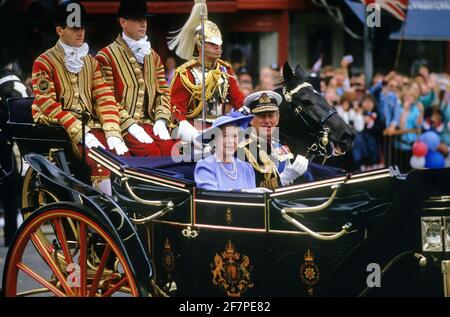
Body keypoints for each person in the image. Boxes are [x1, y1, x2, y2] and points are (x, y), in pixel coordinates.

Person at [31, 0, 127, 194]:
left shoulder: (90, 62)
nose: (80, 32)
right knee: (101, 163)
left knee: (124, 156)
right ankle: (103, 217)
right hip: (61, 128)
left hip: (90, 125)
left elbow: (104, 96)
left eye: (82, 27)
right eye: (74, 28)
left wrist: (113, 132)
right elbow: (46, 102)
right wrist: (79, 131)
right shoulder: (44, 62)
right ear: (59, 30)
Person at [96, 0, 174, 157]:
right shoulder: (106, 56)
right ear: (123, 22)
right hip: (123, 126)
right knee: (151, 153)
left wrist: (160, 119)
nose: (143, 24)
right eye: (138, 20)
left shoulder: (154, 57)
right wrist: (130, 125)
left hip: (151, 124)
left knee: (170, 151)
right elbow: (106, 99)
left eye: (145, 20)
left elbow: (163, 93)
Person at [168, 0, 245, 142]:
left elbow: (238, 99)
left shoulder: (225, 70)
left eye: (219, 43)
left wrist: (247, 111)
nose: (218, 47)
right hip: (192, 131)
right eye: (212, 44)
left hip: (221, 128)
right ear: (199, 45)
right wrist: (193, 134)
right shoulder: (185, 73)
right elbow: (176, 111)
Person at [239, 91, 309, 189]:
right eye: (262, 116)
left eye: (271, 116)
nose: (267, 121)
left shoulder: (279, 145)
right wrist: (283, 179)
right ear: (251, 120)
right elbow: (251, 186)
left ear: (277, 119)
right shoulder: (242, 149)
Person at [194, 112, 256, 191]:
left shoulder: (247, 168)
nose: (230, 141)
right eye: (224, 135)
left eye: (234, 136)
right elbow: (213, 199)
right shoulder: (206, 166)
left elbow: (255, 200)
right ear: (214, 140)